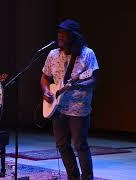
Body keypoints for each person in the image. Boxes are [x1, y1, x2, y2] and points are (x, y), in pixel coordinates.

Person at [41, 19, 99, 180]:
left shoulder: (87, 54)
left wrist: (76, 86)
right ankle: (73, 177)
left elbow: (93, 79)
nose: (60, 35)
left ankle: (87, 177)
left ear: (74, 36)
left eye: (64, 33)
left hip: (79, 108)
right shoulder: (53, 54)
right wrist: (46, 90)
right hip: (58, 108)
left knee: (80, 145)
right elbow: (45, 78)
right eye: (59, 32)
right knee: (62, 145)